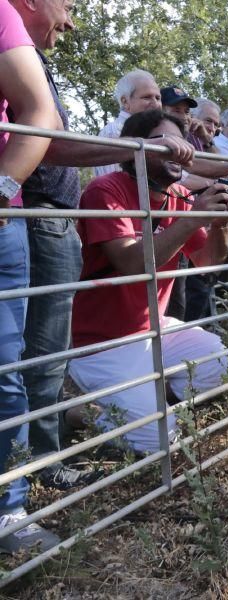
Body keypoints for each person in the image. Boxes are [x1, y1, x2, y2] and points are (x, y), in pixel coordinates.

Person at [9, 0, 199, 493]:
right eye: (66, 5)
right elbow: (49, 143)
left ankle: (46, 448)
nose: (70, 20)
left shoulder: (30, 57)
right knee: (38, 353)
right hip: (40, 216)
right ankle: (40, 463)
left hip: (48, 218)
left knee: (37, 352)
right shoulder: (109, 188)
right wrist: (141, 151)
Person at [68, 110, 228, 454]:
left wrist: (221, 222)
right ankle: (79, 414)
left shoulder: (180, 195)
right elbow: (132, 263)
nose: (178, 152)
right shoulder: (105, 190)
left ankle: (150, 402)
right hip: (101, 343)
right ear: (135, 148)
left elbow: (208, 261)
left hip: (154, 328)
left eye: (182, 145)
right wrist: (192, 218)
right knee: (159, 440)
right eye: (166, 144)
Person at [0, 0, 62, 553]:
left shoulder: (0, 17)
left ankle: (7, 509)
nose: (69, 20)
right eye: (67, 4)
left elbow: (40, 115)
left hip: (2, 220)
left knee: (5, 367)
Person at [94, 69, 161, 176]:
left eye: (158, 98)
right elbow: (114, 182)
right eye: (147, 97)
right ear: (125, 101)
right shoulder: (114, 133)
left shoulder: (157, 130)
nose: (155, 104)